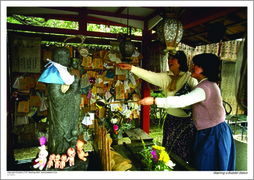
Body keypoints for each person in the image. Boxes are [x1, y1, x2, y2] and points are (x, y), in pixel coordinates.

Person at [137, 53, 236, 171]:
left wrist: (154, 100)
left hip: (214, 133)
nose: (192, 66)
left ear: (204, 69)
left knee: (207, 166)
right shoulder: (206, 85)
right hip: (207, 131)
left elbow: (183, 101)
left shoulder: (205, 88)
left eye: (196, 65)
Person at [118, 51, 198, 163]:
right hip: (171, 120)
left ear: (181, 62)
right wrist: (131, 68)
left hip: (185, 122)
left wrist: (154, 100)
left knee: (183, 154)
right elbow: (150, 75)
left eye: (172, 59)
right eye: (168, 58)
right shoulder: (166, 76)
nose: (169, 61)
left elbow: (194, 101)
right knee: (169, 153)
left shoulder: (190, 79)